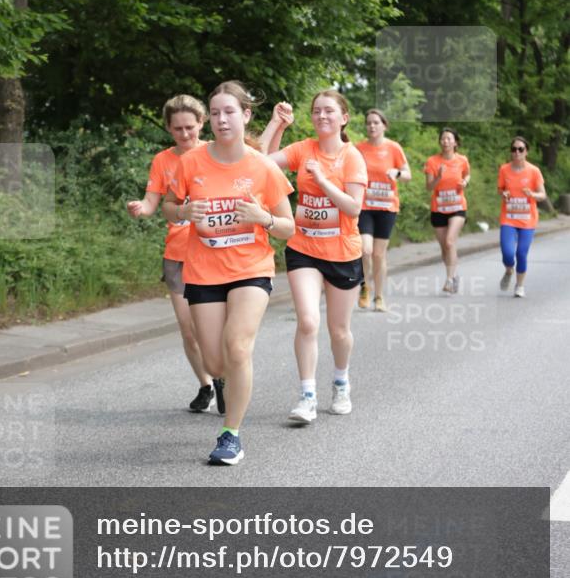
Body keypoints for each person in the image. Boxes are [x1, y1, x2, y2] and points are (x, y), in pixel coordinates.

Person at [163, 81, 294, 465]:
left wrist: (263, 218)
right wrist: (184, 213)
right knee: (216, 363)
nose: (221, 119)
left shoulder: (263, 167)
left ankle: (230, 435)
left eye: (229, 112)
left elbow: (288, 227)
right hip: (203, 271)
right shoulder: (191, 162)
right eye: (216, 112)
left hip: (251, 269)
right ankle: (226, 379)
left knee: (238, 346)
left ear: (246, 115)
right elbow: (169, 207)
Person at [260, 92, 367, 424]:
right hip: (304, 248)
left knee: (339, 330)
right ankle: (307, 395)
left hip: (343, 252)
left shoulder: (352, 158)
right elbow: (259, 161)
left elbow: (353, 207)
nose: (322, 116)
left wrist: (321, 179)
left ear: (343, 118)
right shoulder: (303, 148)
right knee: (307, 321)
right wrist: (276, 123)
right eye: (317, 111)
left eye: (329, 111)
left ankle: (341, 381)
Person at [127, 95, 223, 414]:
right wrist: (141, 209)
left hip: (215, 252)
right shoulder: (163, 161)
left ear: (201, 124)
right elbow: (153, 202)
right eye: (177, 129)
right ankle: (207, 384)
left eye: (190, 127)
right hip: (178, 254)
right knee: (188, 328)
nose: (185, 134)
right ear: (169, 129)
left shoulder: (217, 152)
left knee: (215, 326)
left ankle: (224, 377)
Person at [356, 109, 411, 312]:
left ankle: (379, 297)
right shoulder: (359, 148)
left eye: (376, 123)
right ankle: (365, 286)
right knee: (365, 250)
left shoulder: (394, 148)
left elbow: (407, 174)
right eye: (369, 123)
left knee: (379, 254)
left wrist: (397, 173)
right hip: (364, 206)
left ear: (384, 126)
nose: (372, 126)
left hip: (387, 207)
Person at [497, 137, 546, 298]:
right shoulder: (504, 169)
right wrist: (503, 193)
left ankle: (519, 285)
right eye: (514, 149)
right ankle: (509, 269)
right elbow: (500, 189)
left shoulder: (534, 171)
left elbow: (542, 195)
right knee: (507, 252)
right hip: (509, 218)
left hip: (527, 219)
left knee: (521, 253)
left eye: (520, 149)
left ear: (526, 152)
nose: (517, 152)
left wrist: (532, 194)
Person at [424, 129, 470, 294]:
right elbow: (429, 187)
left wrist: (465, 181)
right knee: (444, 248)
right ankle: (454, 274)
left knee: (450, 242)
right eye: (443, 139)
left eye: (449, 139)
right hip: (439, 209)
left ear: (455, 142)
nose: (445, 141)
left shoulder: (462, 160)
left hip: (458, 207)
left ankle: (449, 280)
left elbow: (467, 175)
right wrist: (438, 177)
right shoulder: (432, 161)